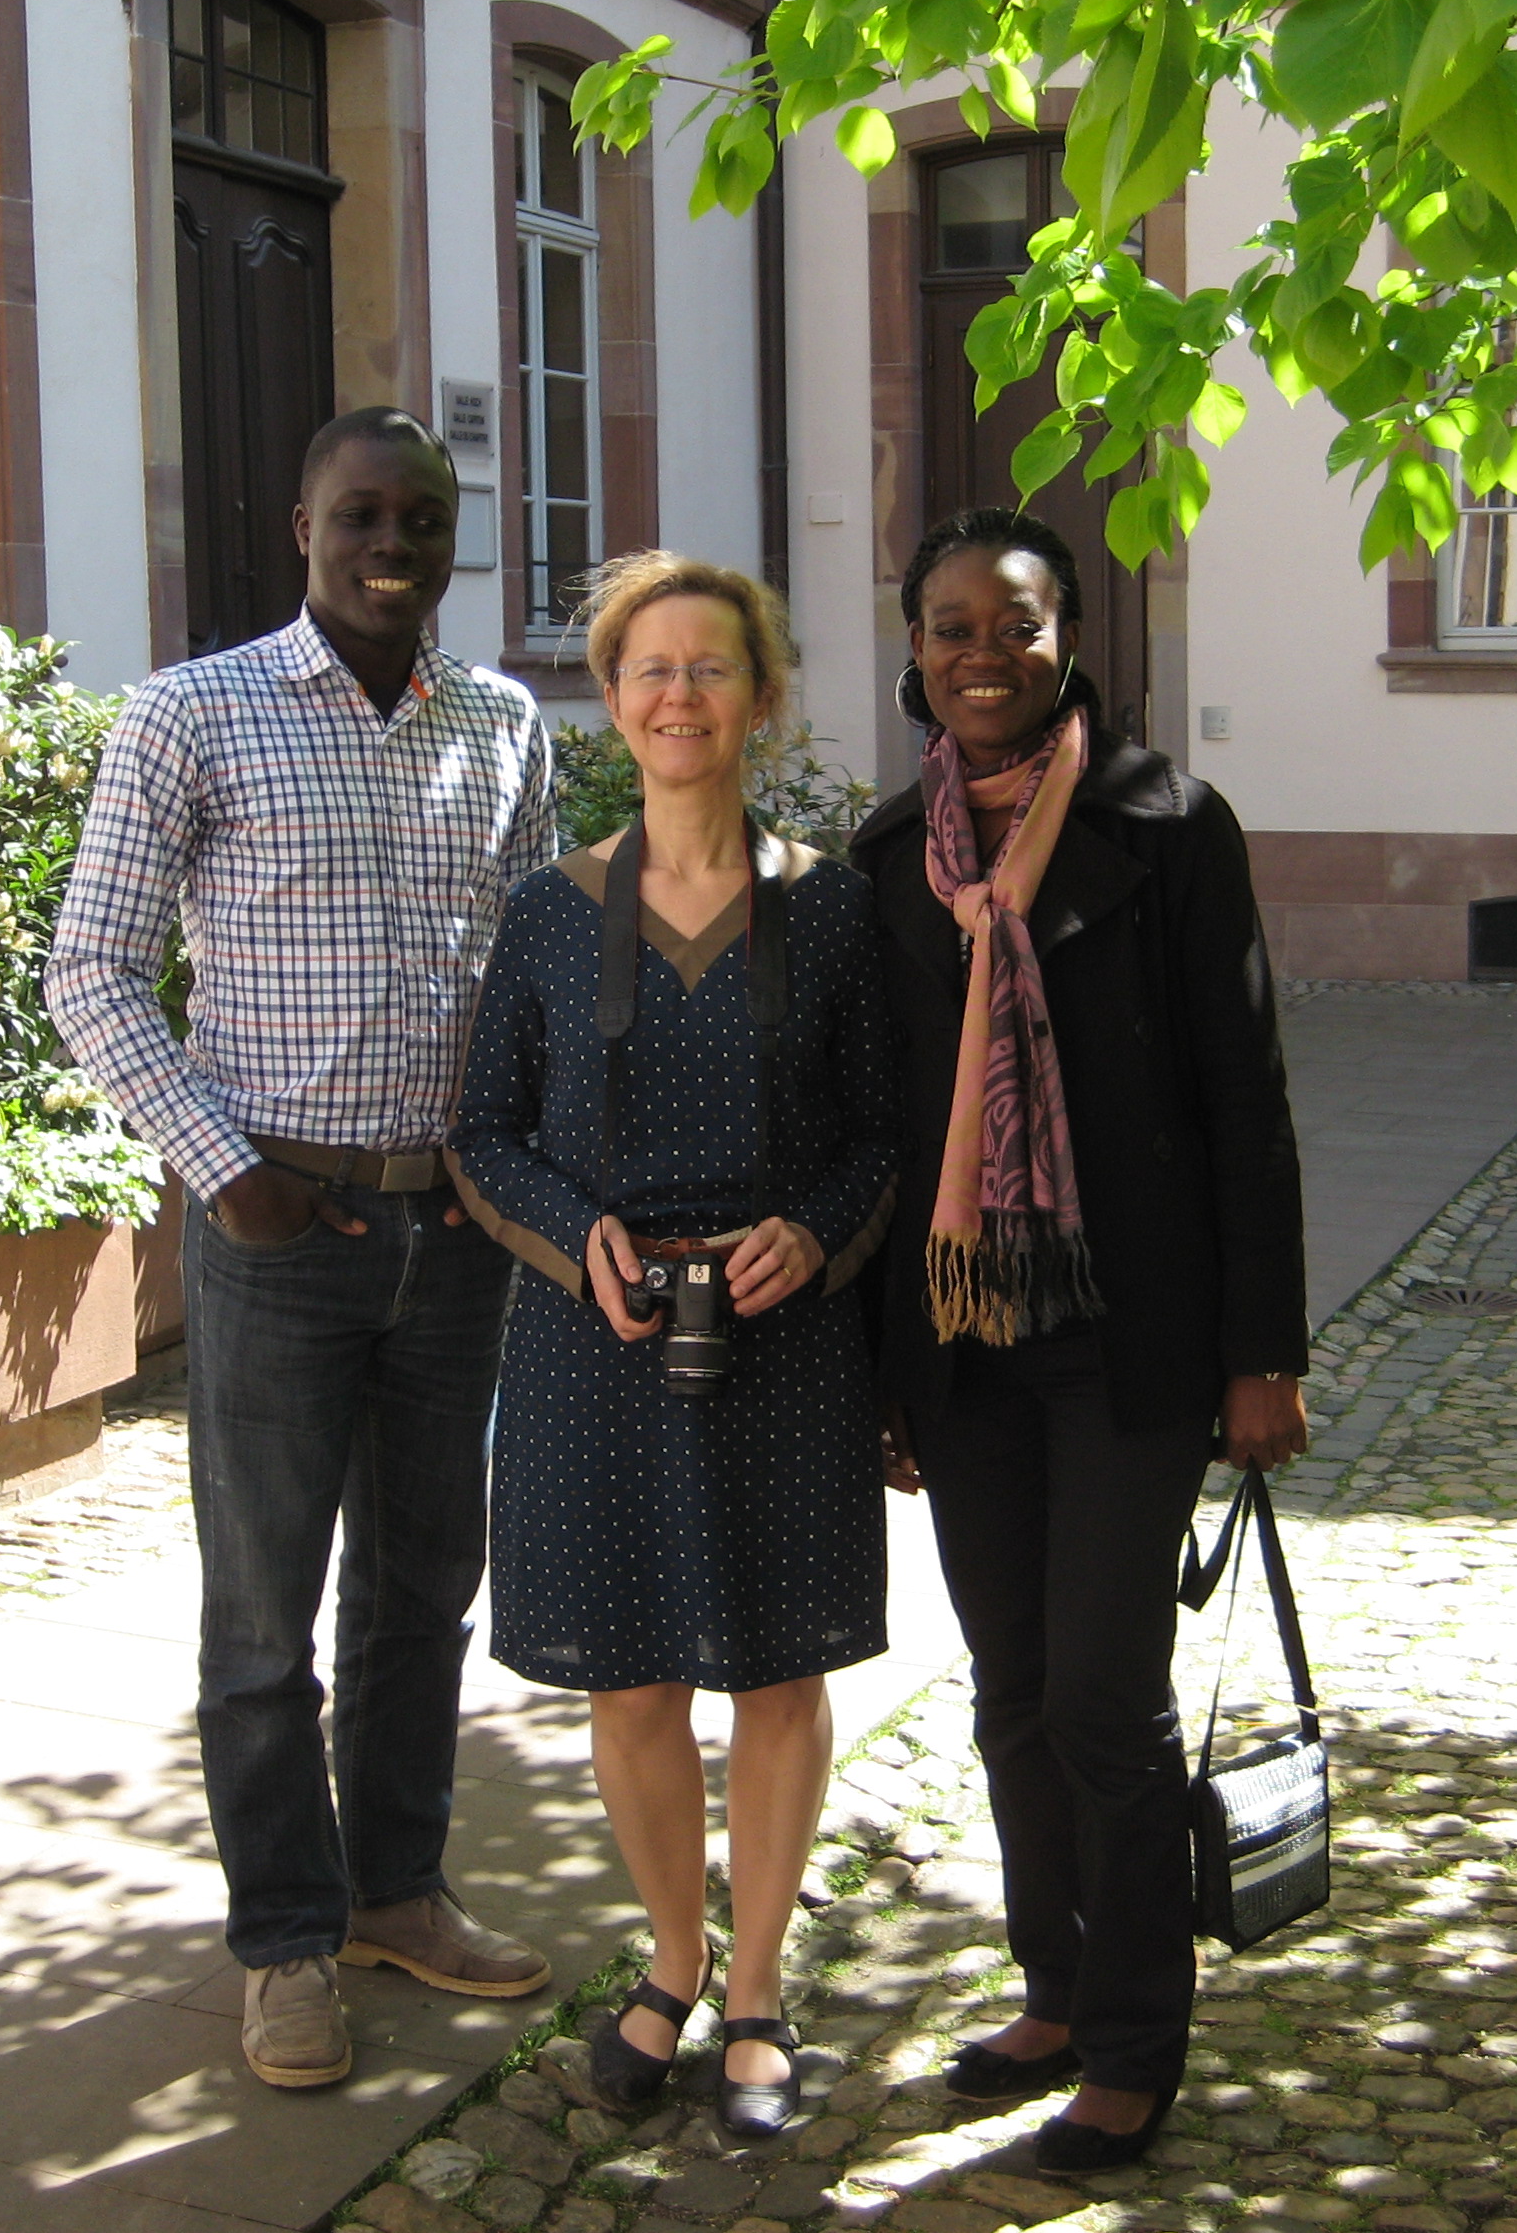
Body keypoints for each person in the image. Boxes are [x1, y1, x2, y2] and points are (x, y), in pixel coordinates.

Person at [48, 407, 557, 2091]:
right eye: (361, 514)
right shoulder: (193, 716)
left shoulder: (504, 724)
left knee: (423, 1596)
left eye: (423, 514)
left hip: (455, 1234)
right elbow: (93, 971)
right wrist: (225, 1168)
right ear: (301, 525)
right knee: (264, 1622)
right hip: (282, 1235)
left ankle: (395, 1891)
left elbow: (532, 982)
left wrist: (524, 1180)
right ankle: (282, 1943)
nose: (392, 542)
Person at [849, 507, 1309, 2174]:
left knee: (1107, 1694)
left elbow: (1241, 1100)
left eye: (1016, 625)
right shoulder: (887, 856)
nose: (984, 654)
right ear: (914, 647)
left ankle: (1131, 2038)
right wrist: (884, 1373)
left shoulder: (1171, 828)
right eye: (953, 626)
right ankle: (1052, 1985)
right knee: (1010, 1685)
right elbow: (883, 1137)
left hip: (1134, 1337)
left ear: (1068, 640)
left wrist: (1266, 1353)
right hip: (966, 1344)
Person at [449, 552, 897, 2137]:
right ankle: (671, 1960)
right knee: (630, 1682)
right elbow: (482, 1136)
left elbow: (888, 1143)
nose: (679, 695)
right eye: (650, 668)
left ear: (761, 696)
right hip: (595, 1343)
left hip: (786, 1343)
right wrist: (583, 1244)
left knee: (777, 1678)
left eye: (712, 668)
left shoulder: (835, 909)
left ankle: (761, 1988)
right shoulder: (548, 916)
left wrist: (814, 1233)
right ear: (613, 697)